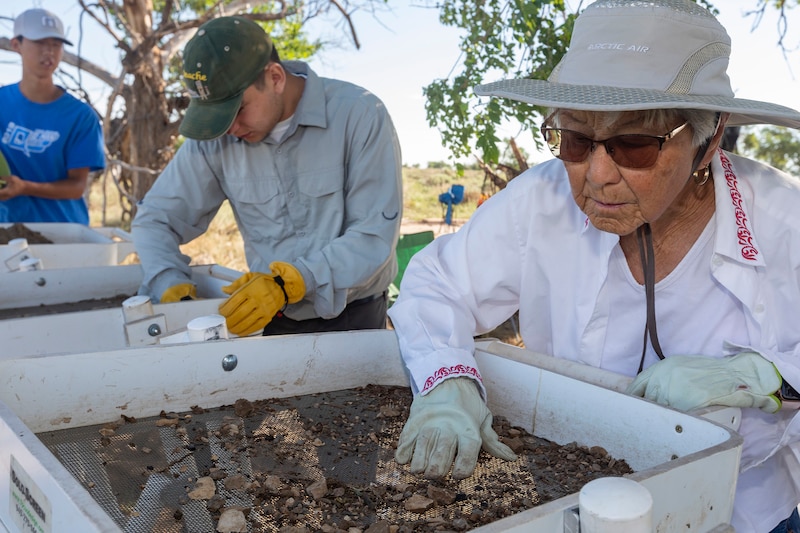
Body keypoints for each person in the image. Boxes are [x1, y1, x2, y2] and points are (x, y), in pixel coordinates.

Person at [387, 1, 800, 532]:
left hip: (743, 508)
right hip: (570, 498)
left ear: (709, 138)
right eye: (577, 140)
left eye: (634, 144)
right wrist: (447, 382)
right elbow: (435, 284)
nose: (596, 175)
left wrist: (766, 376)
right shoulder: (540, 199)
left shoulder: (784, 219)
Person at [131, 16, 402, 336]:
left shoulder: (359, 115)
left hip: (354, 316)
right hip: (267, 319)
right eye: (216, 116)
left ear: (274, 77)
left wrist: (296, 282)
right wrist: (168, 281)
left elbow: (373, 237)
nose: (228, 127)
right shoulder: (216, 139)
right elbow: (155, 220)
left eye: (237, 109)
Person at [0, 8, 106, 224]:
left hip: (62, 235)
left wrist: (25, 187)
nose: (48, 51)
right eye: (39, 42)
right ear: (16, 45)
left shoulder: (81, 116)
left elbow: (76, 186)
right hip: (7, 233)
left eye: (56, 44)